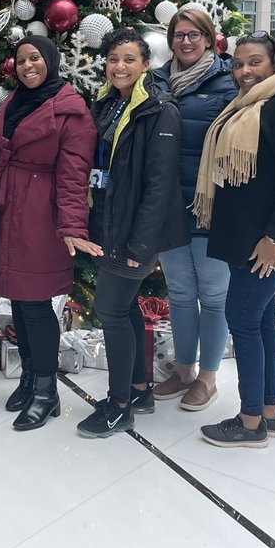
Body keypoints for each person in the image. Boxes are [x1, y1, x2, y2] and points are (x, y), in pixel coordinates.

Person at [192, 31, 275, 447]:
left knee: (242, 319)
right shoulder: (245, 106)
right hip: (242, 237)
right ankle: (269, 411)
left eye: (254, 62)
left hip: (264, 242)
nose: (244, 71)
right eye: (239, 63)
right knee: (259, 319)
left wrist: (274, 238)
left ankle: (250, 424)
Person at [0, 36, 96, 431]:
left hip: (40, 215)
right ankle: (31, 376)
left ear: (50, 61)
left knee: (35, 302)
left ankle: (47, 391)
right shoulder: (14, 101)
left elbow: (74, 175)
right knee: (18, 298)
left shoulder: (71, 112)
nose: (29, 66)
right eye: (22, 60)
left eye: (36, 59)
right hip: (7, 206)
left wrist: (70, 226)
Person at [76, 30, 188, 438]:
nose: (118, 66)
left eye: (128, 59)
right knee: (123, 310)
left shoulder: (159, 112)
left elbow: (160, 188)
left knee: (109, 311)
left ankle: (119, 405)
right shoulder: (106, 105)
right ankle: (140, 390)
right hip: (106, 226)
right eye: (112, 59)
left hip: (132, 236)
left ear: (145, 65)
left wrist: (142, 245)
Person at [150, 6, 237, 410]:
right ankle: (183, 369)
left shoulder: (227, 80)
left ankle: (208, 378)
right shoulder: (156, 81)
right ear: (171, 40)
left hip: (211, 204)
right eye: (179, 35)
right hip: (168, 205)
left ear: (209, 38)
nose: (186, 41)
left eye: (194, 35)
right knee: (181, 293)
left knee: (214, 295)